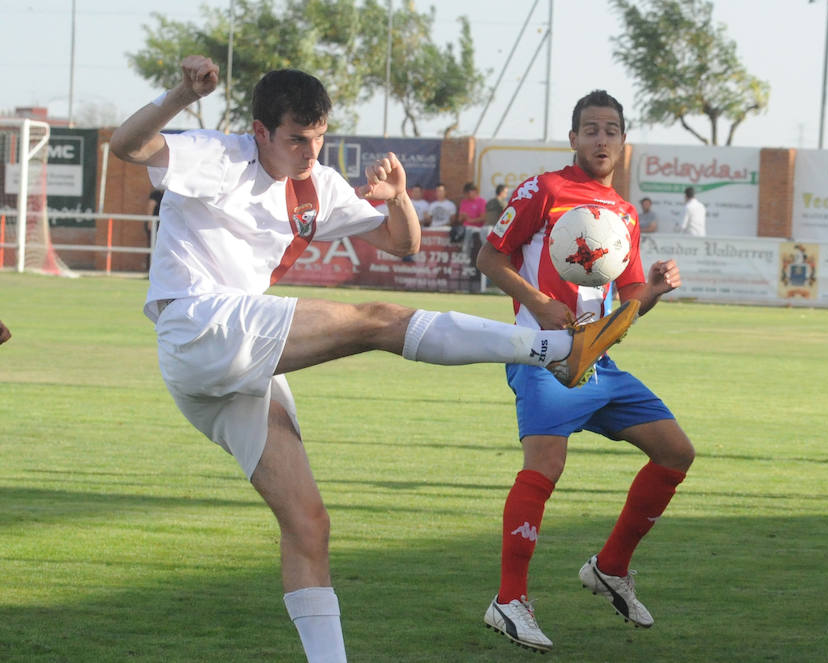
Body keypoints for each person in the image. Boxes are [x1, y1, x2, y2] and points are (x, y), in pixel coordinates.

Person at [109, 56, 636, 663]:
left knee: (310, 527)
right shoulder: (217, 155)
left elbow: (402, 242)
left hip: (230, 370)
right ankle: (558, 349)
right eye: (296, 139)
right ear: (259, 132)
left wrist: (398, 198)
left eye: (320, 137)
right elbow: (128, 146)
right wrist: (180, 92)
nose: (311, 152)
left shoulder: (319, 184)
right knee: (376, 321)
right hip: (198, 324)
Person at [476, 89, 695, 653]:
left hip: (598, 358)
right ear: (573, 138)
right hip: (543, 353)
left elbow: (629, 304)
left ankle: (610, 567)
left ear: (623, 142)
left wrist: (656, 290)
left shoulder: (623, 213)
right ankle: (508, 600)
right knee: (545, 466)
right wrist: (541, 303)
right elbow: (489, 258)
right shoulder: (543, 189)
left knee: (676, 452)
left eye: (612, 130)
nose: (602, 139)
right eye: (591, 129)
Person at [459, 182, 488, 262]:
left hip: (477, 229)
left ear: (474, 191)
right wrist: (463, 217)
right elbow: (459, 220)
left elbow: (483, 218)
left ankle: (467, 257)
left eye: (468, 193)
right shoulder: (464, 202)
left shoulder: (482, 202)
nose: (467, 196)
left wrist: (471, 220)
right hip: (464, 228)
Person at [146, 188, 164, 270]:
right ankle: (150, 269)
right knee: (153, 246)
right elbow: (151, 206)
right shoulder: (156, 194)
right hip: (155, 225)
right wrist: (150, 222)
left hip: (162, 226)